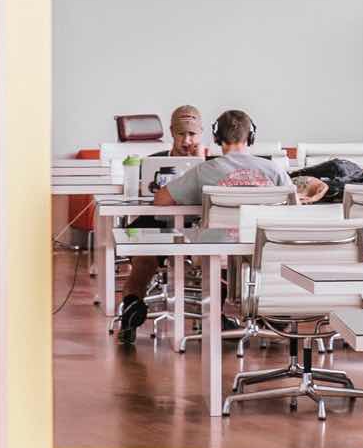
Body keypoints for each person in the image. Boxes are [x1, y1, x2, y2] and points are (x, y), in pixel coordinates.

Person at [116, 110, 291, 343]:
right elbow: (293, 207)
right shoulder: (275, 171)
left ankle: (133, 303)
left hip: (217, 251)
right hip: (262, 252)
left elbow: (161, 200)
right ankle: (271, 313)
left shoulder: (205, 170)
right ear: (251, 137)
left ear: (217, 138)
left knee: (153, 237)